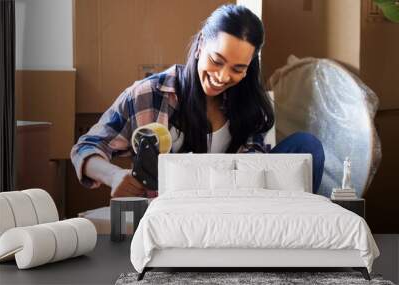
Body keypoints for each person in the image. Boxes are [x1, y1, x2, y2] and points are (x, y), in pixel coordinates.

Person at [70, 4, 325, 198]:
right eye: (217, 61)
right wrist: (114, 175)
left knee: (307, 146)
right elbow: (85, 147)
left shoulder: (251, 106)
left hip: (235, 206)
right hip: (174, 214)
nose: (223, 77)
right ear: (201, 44)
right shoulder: (150, 94)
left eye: (238, 69)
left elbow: (253, 169)